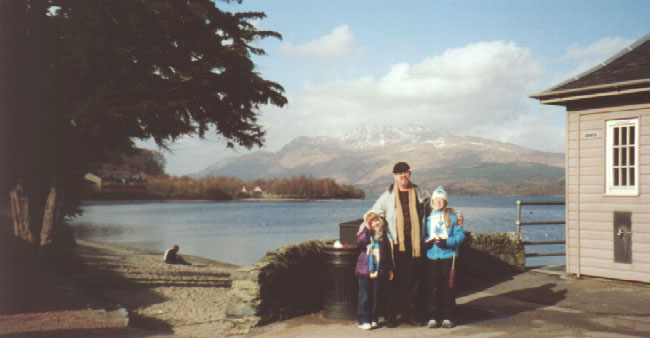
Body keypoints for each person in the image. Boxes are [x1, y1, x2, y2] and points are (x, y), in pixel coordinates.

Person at [359, 161, 430, 327]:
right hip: (396, 245)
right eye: (399, 174)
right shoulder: (388, 195)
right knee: (394, 281)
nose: (402, 176)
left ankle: (412, 315)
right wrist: (363, 227)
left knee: (414, 282)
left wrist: (456, 217)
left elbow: (437, 208)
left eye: (405, 172)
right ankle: (392, 315)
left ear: (409, 173)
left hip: (416, 245)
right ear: (394, 176)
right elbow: (373, 213)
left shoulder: (420, 193)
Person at [421, 186, 465, 329]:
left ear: (445, 202)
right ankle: (433, 316)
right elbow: (425, 235)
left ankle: (448, 317)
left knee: (448, 287)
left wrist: (448, 242)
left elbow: (460, 235)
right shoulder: (428, 218)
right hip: (432, 257)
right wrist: (426, 242)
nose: (438, 202)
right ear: (432, 202)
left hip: (448, 257)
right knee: (432, 288)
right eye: (436, 200)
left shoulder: (452, 217)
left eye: (441, 199)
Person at [354, 211, 395, 330]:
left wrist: (390, 270)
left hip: (380, 269)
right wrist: (367, 230)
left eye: (376, 220)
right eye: (371, 221)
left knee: (376, 295)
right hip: (366, 269)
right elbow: (360, 242)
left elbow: (389, 255)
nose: (375, 223)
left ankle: (373, 318)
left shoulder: (386, 236)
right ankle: (363, 319)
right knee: (365, 296)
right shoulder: (366, 234)